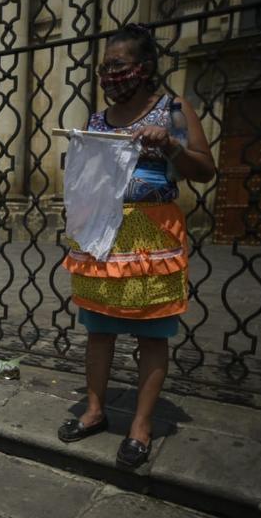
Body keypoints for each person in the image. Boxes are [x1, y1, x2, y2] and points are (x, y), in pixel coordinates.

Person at [57, 24, 215, 467]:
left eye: (117, 65)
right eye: (105, 67)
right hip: (102, 235)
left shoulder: (174, 111)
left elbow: (203, 170)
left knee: (152, 332)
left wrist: (170, 148)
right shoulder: (95, 121)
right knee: (99, 329)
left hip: (151, 237)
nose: (109, 74)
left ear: (144, 68)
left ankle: (141, 426)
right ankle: (94, 411)